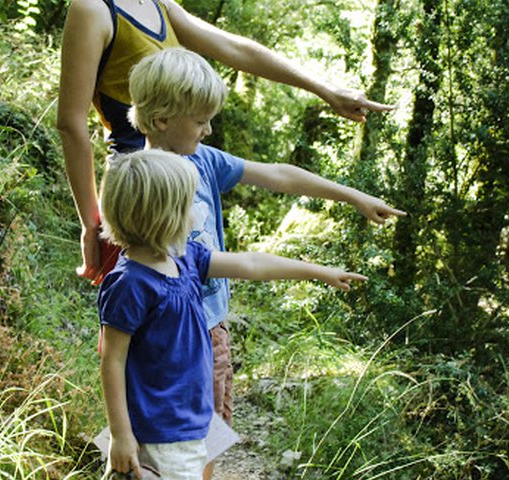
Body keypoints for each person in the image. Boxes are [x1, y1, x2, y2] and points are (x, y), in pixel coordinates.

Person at [126, 47, 406, 479]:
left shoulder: (205, 160)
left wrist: (353, 195)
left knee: (210, 433)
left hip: (210, 325)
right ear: (162, 119)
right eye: (200, 121)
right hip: (162, 334)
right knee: (163, 441)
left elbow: (279, 175)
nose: (208, 128)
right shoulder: (135, 181)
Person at [56, 0, 396, 281]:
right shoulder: (93, 9)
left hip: (183, 175)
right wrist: (91, 222)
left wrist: (325, 90)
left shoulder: (160, 5)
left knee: (193, 315)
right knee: (144, 324)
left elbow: (234, 48)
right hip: (141, 193)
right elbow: (72, 123)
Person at [98, 149, 368, 479]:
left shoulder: (185, 258)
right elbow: (112, 360)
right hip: (158, 434)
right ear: (160, 216)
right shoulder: (130, 283)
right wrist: (120, 435)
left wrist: (318, 271)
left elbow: (251, 263)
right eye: (187, 209)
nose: (195, 219)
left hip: (191, 422)